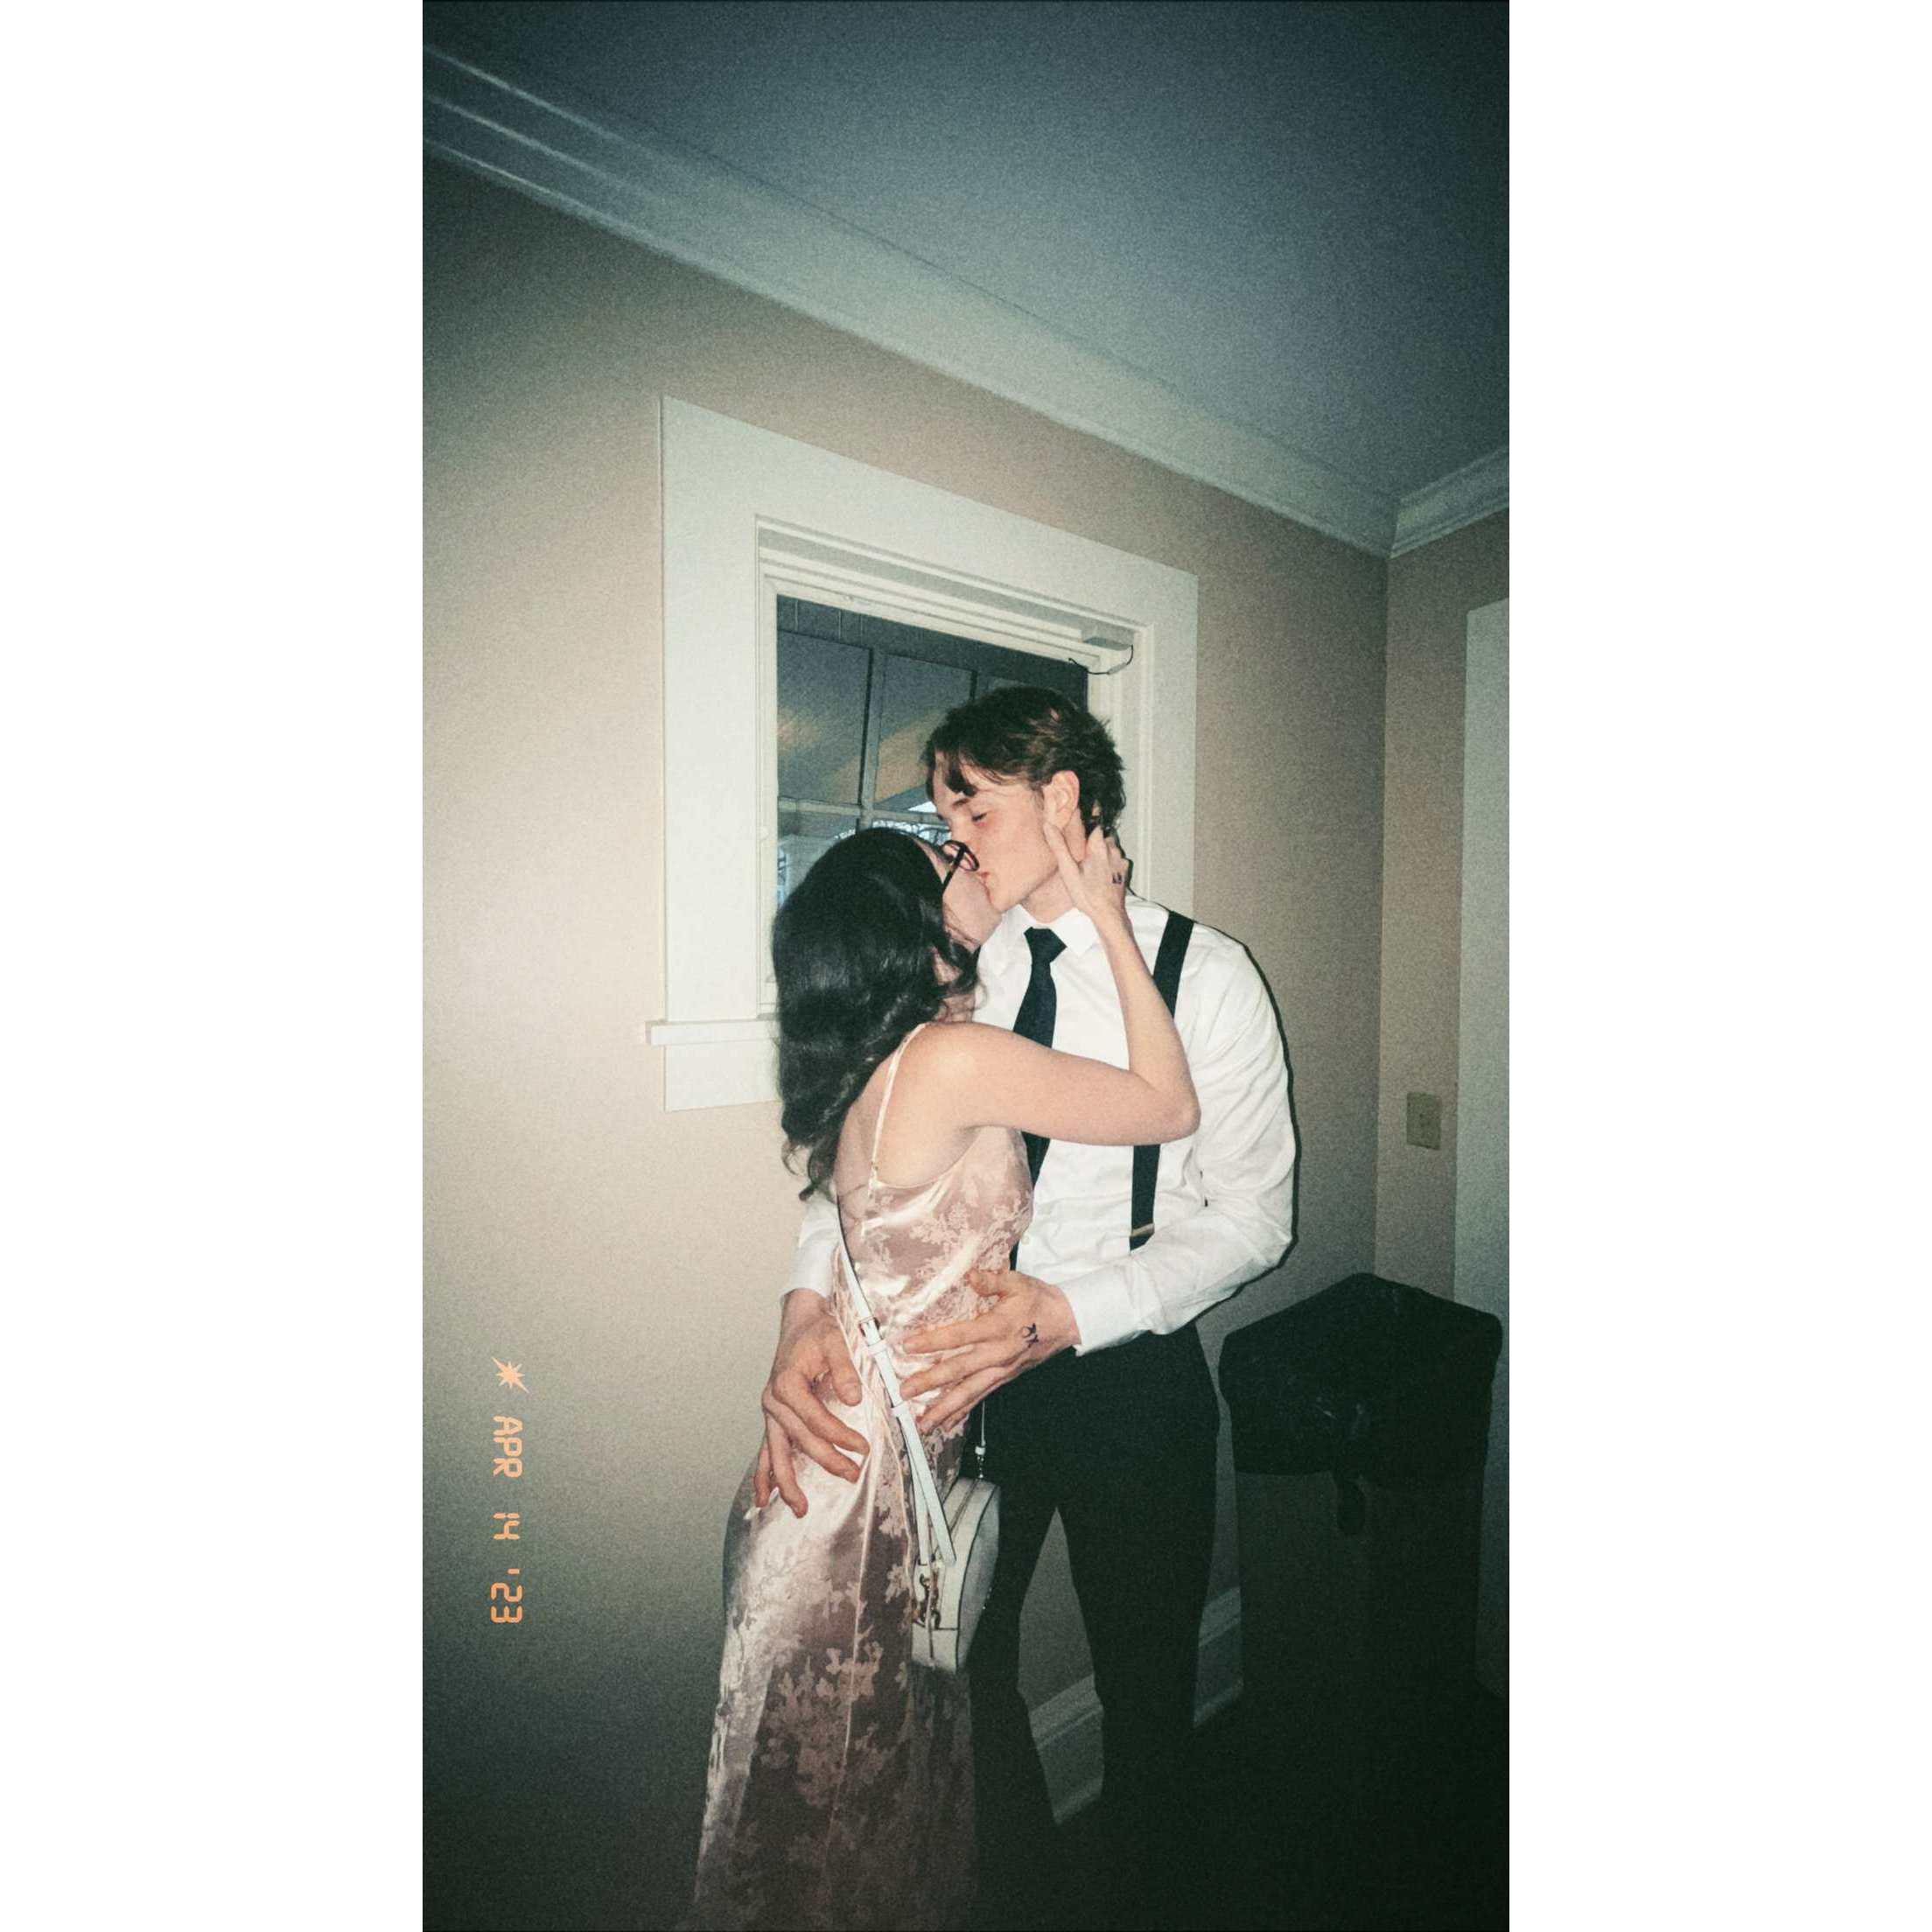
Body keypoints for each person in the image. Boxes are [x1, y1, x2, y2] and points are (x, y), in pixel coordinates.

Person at [757, 686, 1297, 1928]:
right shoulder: (954, 954)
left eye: (974, 809)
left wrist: (1071, 1309)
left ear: (1063, 800)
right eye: (945, 814)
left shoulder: (1208, 979)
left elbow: (1257, 1217)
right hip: (962, 1388)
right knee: (959, 1676)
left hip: (1128, 1379)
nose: (953, 839)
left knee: (1146, 1691)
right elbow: (863, 1159)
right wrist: (801, 1310)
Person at [689, 814, 1200, 1932]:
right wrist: (1110, 915)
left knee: (865, 1817)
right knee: (834, 1833)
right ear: (918, 930)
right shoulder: (951, 1057)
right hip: (860, 1492)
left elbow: (859, 1221)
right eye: (947, 862)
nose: (969, 860)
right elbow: (1167, 1107)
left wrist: (804, 1313)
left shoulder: (902, 1050)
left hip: (868, 1465)